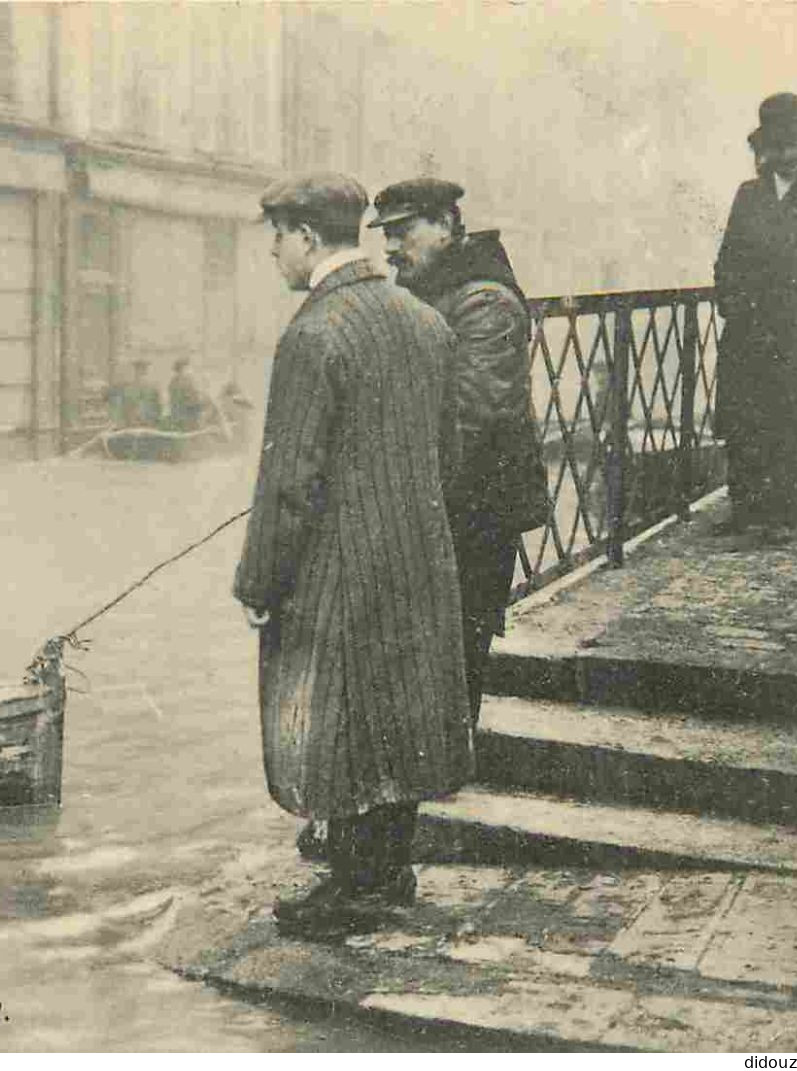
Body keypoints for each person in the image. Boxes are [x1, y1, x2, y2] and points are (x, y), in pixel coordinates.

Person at [235, 173, 471, 934]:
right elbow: (448, 449)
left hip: (334, 567)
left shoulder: (312, 333)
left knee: (333, 720)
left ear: (307, 236)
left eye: (276, 235)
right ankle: (387, 870)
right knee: (399, 714)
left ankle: (351, 888)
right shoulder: (423, 319)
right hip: (417, 557)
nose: (272, 250)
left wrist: (258, 579)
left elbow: (289, 480)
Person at [370, 178, 549, 725]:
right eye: (388, 235)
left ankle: (448, 759)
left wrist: (408, 495)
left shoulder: (484, 301)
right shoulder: (432, 291)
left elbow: (472, 418)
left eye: (404, 232)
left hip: (475, 504)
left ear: (446, 227)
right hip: (438, 499)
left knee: (459, 637)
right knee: (425, 640)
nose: (392, 247)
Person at [712, 92, 797, 538]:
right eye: (776, 145)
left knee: (793, 417)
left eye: (793, 143)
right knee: (743, 417)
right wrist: (733, 303)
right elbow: (727, 260)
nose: (785, 155)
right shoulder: (749, 195)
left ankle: (785, 512)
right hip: (748, 330)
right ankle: (745, 507)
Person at [106, 359, 163, 428]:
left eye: (145, 369)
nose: (143, 371)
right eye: (140, 369)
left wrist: (157, 419)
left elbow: (159, 406)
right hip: (131, 423)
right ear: (136, 370)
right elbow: (118, 407)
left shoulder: (154, 387)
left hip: (149, 423)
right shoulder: (125, 388)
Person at [166, 358, 212, 431]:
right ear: (183, 369)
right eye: (187, 368)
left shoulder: (173, 381)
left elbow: (172, 400)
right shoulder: (188, 381)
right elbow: (194, 399)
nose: (189, 370)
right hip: (189, 417)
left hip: (175, 416)